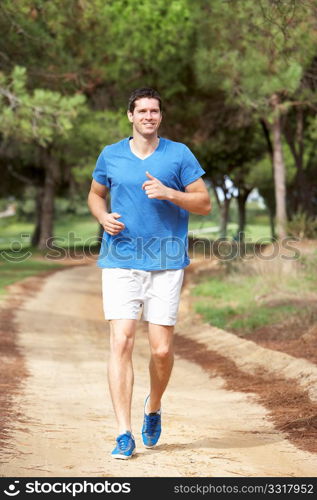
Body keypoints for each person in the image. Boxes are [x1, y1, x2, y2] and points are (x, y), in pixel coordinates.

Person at [87, 87, 211, 459]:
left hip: (167, 262)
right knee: (121, 340)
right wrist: (102, 215)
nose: (148, 116)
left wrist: (170, 193)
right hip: (121, 260)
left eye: (154, 111)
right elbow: (95, 194)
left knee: (161, 350)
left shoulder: (179, 154)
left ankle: (153, 406)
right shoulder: (111, 155)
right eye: (142, 111)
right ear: (130, 116)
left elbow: (203, 202)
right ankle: (123, 433)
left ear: (161, 116)